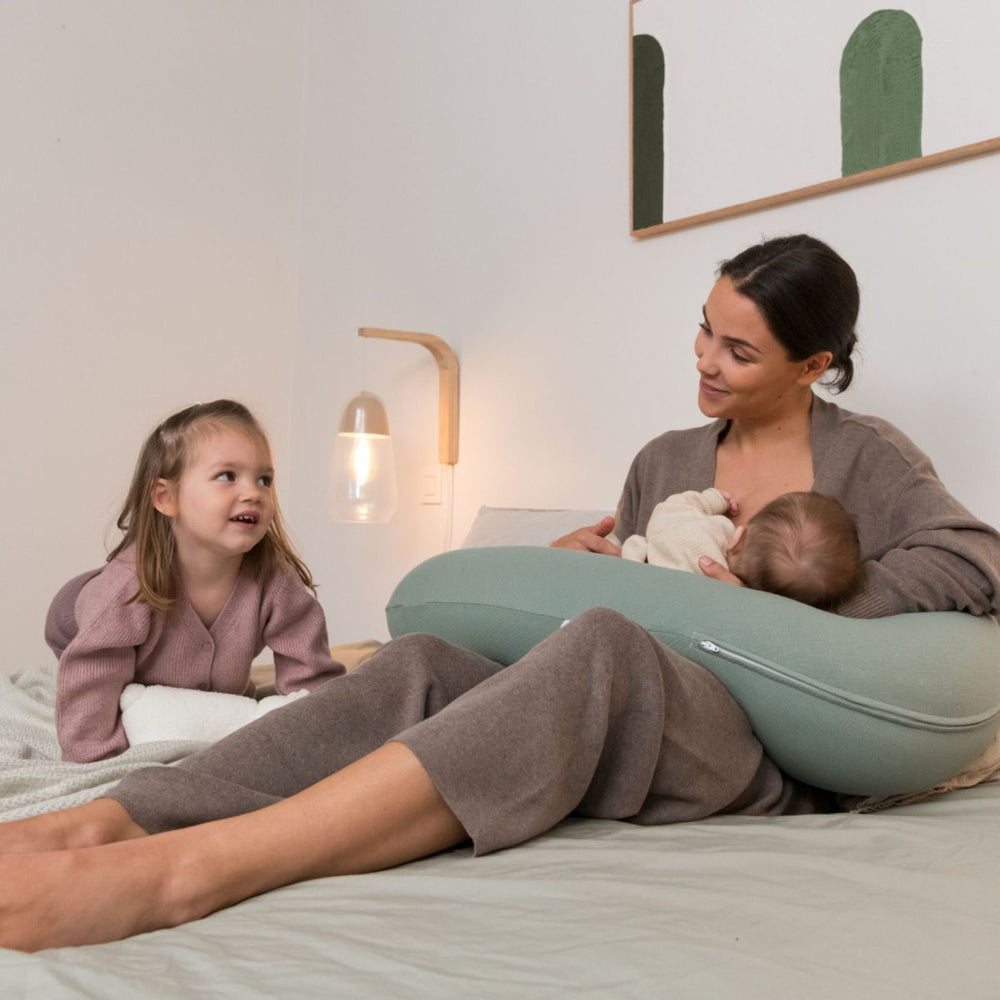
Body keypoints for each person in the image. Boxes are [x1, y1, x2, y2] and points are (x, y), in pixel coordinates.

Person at [2, 235, 998, 952]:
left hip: (754, 744)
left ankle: (188, 871)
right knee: (425, 663)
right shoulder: (667, 458)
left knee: (604, 644)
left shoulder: (862, 460)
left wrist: (779, 611)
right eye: (702, 330)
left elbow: (973, 557)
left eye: (737, 351)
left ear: (813, 365)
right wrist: (587, 564)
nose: (703, 360)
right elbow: (643, 587)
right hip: (644, 703)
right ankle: (117, 820)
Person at [46, 399, 345, 763]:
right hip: (78, 618)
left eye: (264, 479)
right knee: (101, 649)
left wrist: (326, 738)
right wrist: (96, 760)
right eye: (227, 476)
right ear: (166, 497)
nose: (253, 492)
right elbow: (91, 678)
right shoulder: (127, 588)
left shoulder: (273, 581)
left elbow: (311, 676)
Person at [622, 488, 863, 610]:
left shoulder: (702, 532)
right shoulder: (728, 607)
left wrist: (713, 498)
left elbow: (670, 509)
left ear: (738, 538)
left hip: (631, 573)